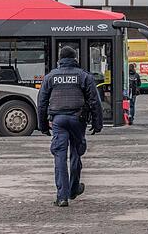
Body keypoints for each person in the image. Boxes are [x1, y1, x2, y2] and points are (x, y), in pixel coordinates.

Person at [37, 46, 103, 207]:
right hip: (77, 119)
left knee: (59, 157)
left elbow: (42, 103)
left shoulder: (50, 77)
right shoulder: (83, 76)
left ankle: (62, 197)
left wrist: (43, 125)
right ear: (75, 59)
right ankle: (73, 188)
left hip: (58, 120)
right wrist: (97, 123)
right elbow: (95, 101)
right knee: (75, 154)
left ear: (60, 59)